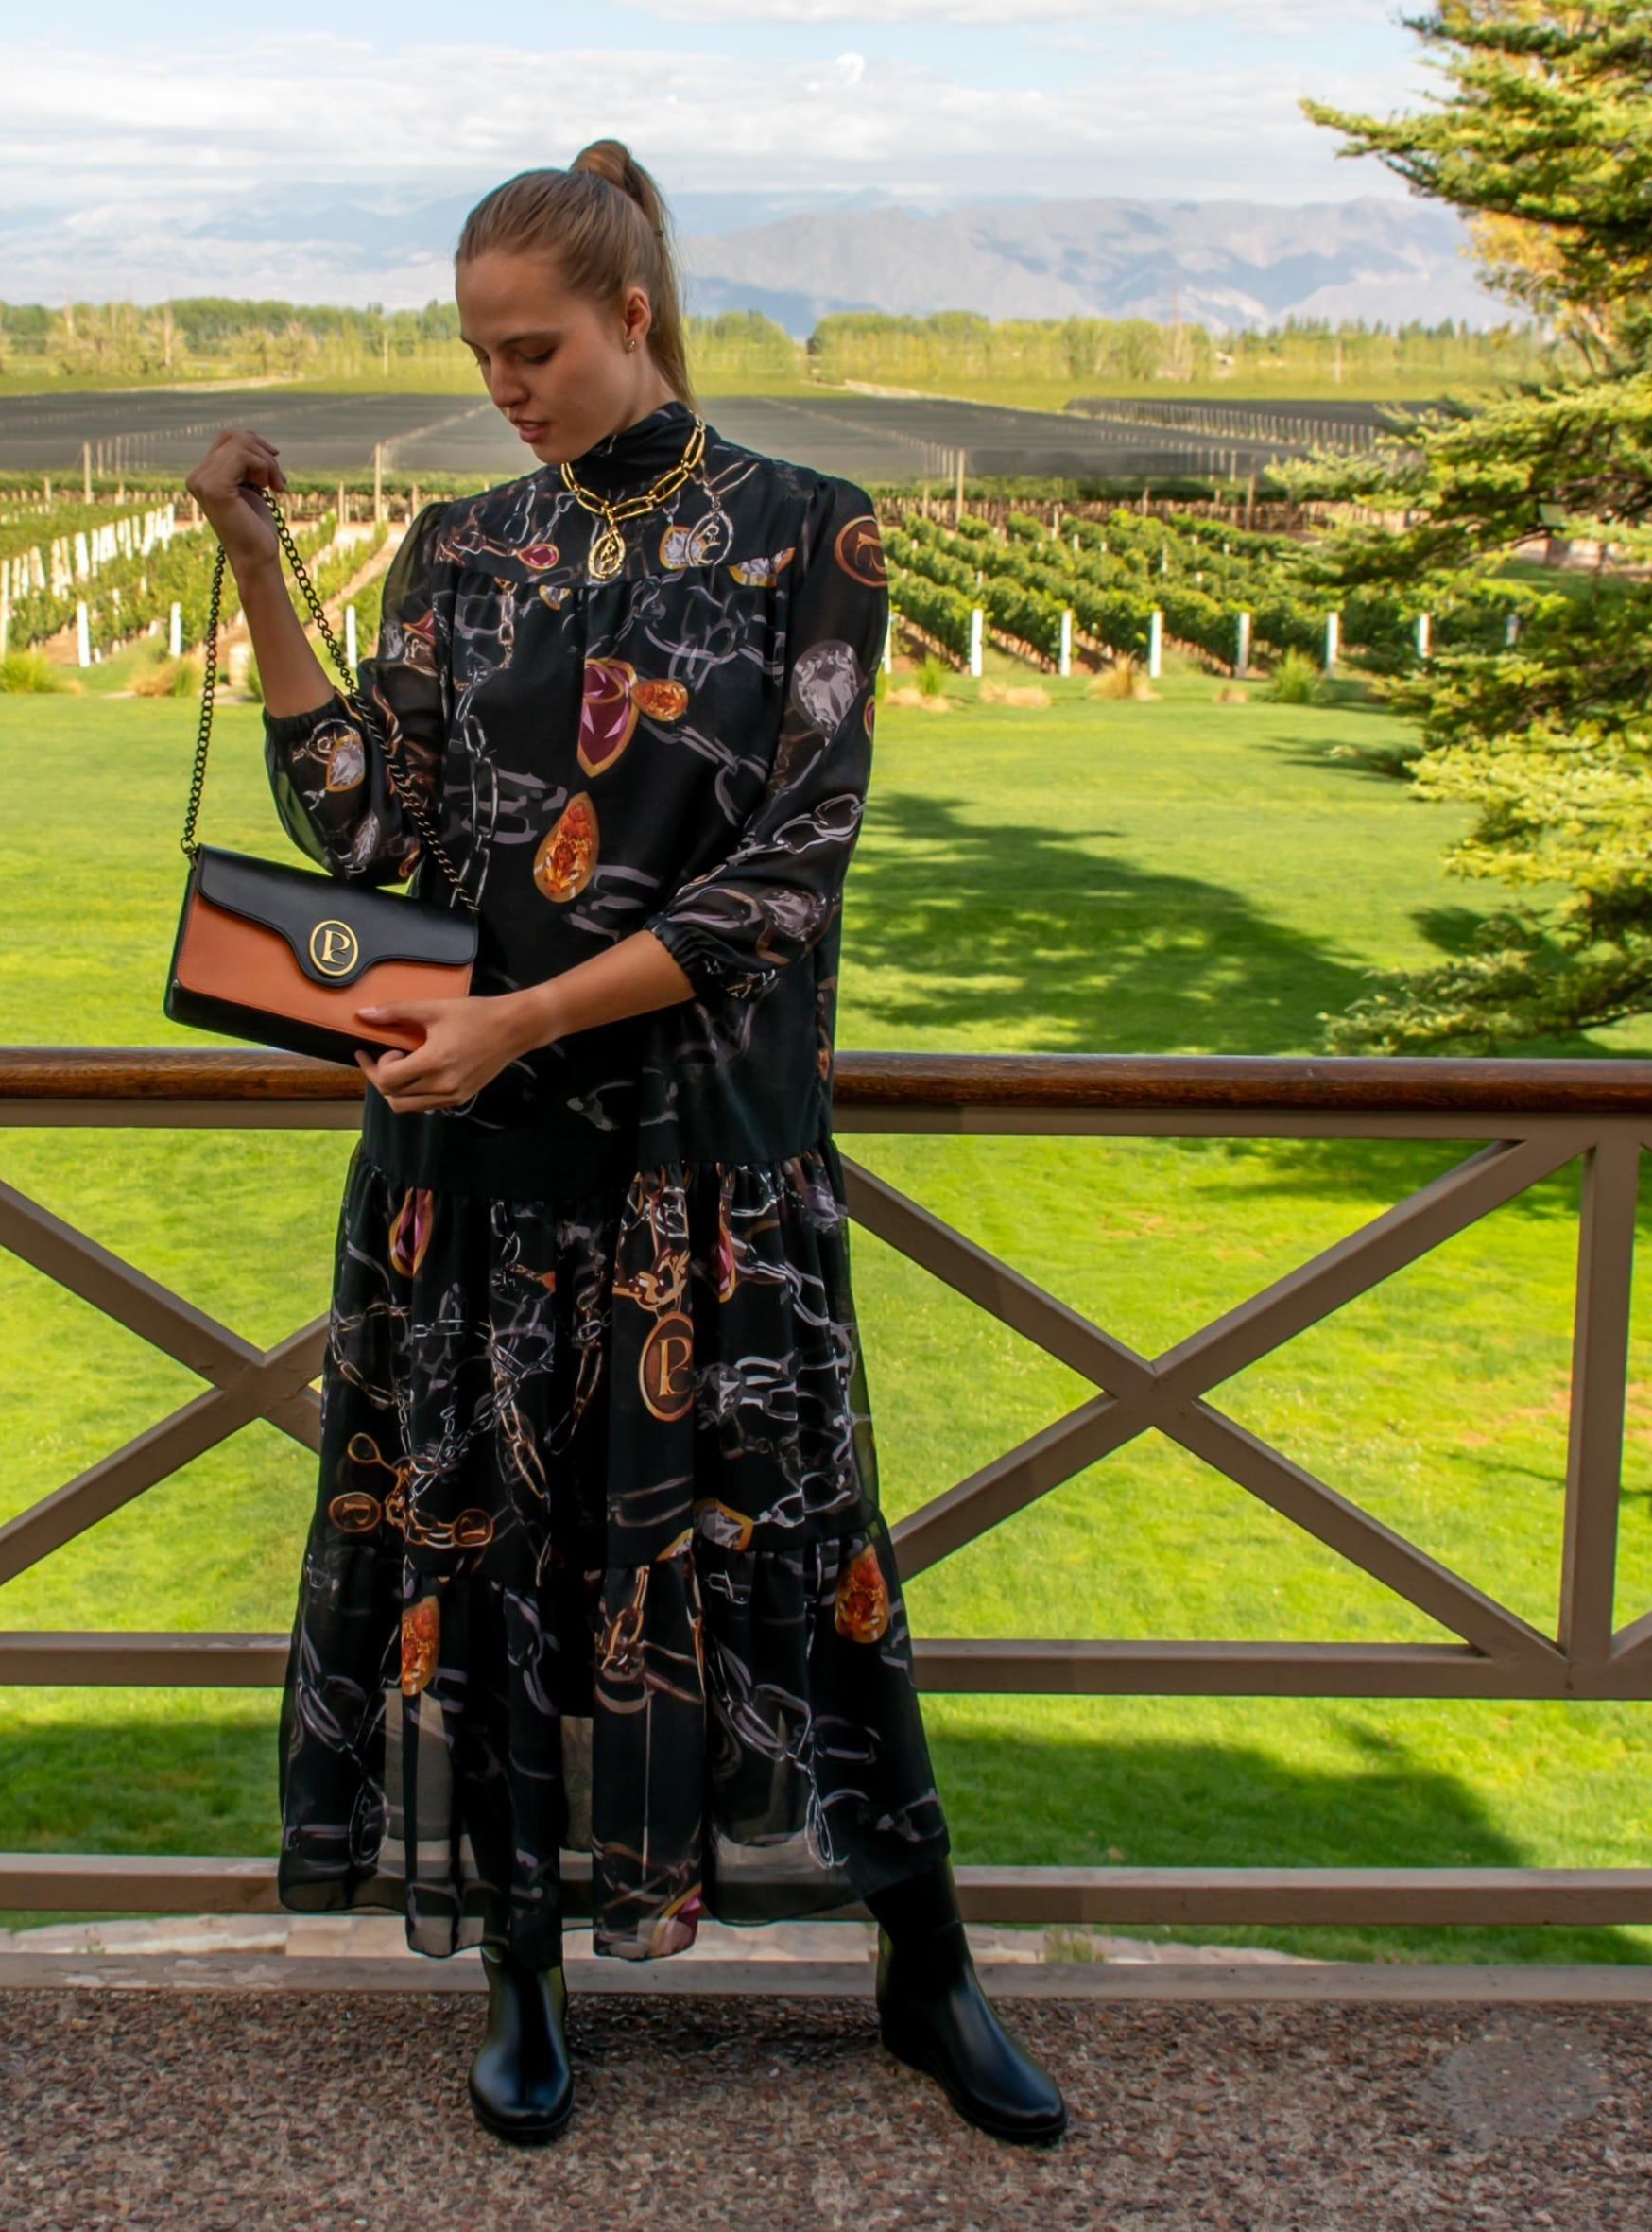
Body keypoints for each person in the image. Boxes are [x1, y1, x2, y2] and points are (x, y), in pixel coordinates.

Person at [183, 141, 1066, 2150]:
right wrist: (258, 571)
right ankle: (519, 1976)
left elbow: (786, 876)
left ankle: (925, 1967)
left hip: (705, 1175)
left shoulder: (810, 540)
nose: (507, 388)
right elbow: (367, 834)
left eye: (535, 350)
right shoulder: (455, 549)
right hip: (473, 1178)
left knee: (801, 1568)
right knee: (488, 1577)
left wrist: (524, 1013)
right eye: (481, 356)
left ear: (634, 314)